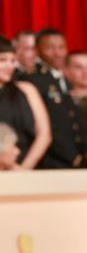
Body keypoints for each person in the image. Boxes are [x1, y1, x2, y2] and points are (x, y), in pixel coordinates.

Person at [23, 27, 87, 168]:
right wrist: (73, 158)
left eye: (61, 47)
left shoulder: (62, 80)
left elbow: (74, 120)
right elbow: (47, 126)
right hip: (51, 161)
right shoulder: (33, 80)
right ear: (37, 50)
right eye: (50, 47)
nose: (57, 53)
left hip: (75, 160)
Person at [0, 36, 52, 170]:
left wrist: (23, 169)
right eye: (3, 60)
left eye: (12, 61)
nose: (9, 66)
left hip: (28, 167)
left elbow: (44, 135)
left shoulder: (27, 90)